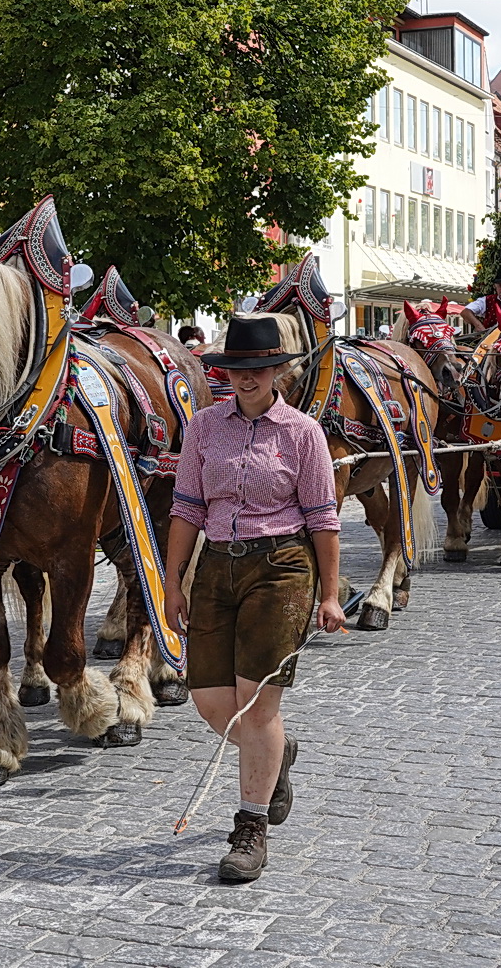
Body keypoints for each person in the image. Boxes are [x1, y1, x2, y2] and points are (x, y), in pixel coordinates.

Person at [162, 315, 345, 884]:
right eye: (235, 369)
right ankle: (276, 754)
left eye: (257, 369)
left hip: (282, 566)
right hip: (216, 564)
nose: (245, 379)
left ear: (277, 372)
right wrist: (172, 582)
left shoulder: (302, 433)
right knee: (211, 700)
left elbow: (323, 519)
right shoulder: (202, 427)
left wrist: (331, 594)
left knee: (256, 703)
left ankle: (251, 826)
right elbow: (187, 507)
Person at [461, 263, 501, 333]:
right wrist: (479, 327)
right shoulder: (487, 301)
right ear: (495, 287)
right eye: (500, 286)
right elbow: (465, 312)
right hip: (491, 342)